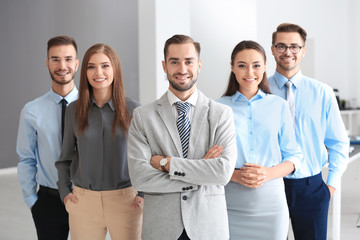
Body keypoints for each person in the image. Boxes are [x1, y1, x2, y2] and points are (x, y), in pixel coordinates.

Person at [127, 34, 237, 240]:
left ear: (199, 65)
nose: (182, 69)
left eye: (188, 61)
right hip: (162, 229)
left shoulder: (221, 114)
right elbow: (140, 177)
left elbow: (222, 173)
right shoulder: (143, 116)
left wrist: (167, 163)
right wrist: (202, 173)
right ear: (164, 65)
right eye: (174, 62)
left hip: (207, 228)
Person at [268, 23, 349, 240]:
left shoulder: (322, 92)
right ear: (273, 49)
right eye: (281, 46)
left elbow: (338, 142)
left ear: (304, 50)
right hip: (269, 185)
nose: (288, 52)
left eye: (294, 46)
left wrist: (330, 186)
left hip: (311, 187)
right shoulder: (260, 90)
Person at [55, 43, 143, 240]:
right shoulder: (73, 111)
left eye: (105, 65)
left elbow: (146, 157)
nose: (98, 72)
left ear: (115, 69)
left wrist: (143, 195)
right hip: (83, 203)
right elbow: (64, 159)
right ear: (85, 71)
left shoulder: (135, 110)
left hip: (126, 202)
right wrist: (65, 194)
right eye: (91, 66)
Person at [217, 40, 302, 239]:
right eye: (242, 65)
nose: (249, 72)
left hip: (271, 205)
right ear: (232, 68)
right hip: (229, 203)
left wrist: (268, 173)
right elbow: (208, 160)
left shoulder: (278, 106)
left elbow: (294, 156)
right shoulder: (217, 108)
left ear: (265, 67)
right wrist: (236, 175)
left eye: (256, 65)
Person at [16, 35, 79, 240]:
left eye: (68, 59)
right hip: (48, 201)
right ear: (47, 63)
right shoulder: (31, 110)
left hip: (86, 198)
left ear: (77, 64)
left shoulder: (92, 108)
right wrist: (32, 200)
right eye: (55, 59)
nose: (62, 65)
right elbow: (26, 158)